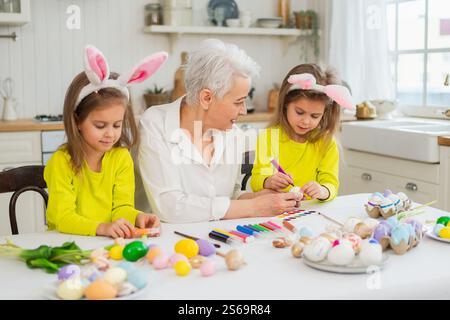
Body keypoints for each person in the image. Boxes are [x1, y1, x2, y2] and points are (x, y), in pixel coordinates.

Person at [138, 39, 300, 223]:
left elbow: (229, 196)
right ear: (207, 97)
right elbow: (170, 206)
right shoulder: (156, 124)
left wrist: (258, 198)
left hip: (220, 238)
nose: (244, 111)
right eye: (238, 101)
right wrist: (253, 207)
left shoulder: (233, 134)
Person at [44, 45, 167, 238]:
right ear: (77, 121)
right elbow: (63, 218)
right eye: (100, 126)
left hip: (102, 244)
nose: (110, 134)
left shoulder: (121, 158)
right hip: (65, 243)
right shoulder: (62, 162)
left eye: (117, 125)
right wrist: (102, 227)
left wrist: (138, 216)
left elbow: (121, 207)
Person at [250, 63, 354, 202]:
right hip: (277, 209)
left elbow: (331, 184)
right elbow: (256, 180)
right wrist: (268, 181)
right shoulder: (268, 137)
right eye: (299, 112)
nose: (306, 121)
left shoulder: (326, 143)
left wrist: (322, 190)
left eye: (315, 116)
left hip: (310, 211)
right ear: (286, 104)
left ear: (324, 114)